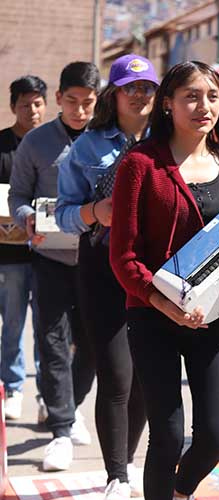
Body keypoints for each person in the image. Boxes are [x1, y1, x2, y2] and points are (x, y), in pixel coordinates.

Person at [109, 61, 219, 500]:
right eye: (191, 96)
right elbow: (122, 255)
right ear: (168, 103)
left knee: (216, 436)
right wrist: (164, 304)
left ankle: (181, 491)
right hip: (152, 317)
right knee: (166, 437)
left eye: (213, 96)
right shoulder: (140, 164)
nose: (205, 106)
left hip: (213, 317)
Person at [55, 54, 158, 499]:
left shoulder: (172, 142)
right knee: (116, 375)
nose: (140, 95)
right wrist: (97, 211)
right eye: (130, 88)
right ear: (113, 96)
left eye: (148, 88)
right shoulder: (87, 146)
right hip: (101, 268)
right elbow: (62, 214)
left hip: (156, 271)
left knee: (144, 379)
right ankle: (116, 475)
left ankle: (129, 464)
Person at [8, 62, 99, 471]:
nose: (80, 111)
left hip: (97, 259)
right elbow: (18, 194)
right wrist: (27, 215)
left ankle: (71, 405)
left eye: (88, 103)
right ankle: (61, 428)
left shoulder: (108, 139)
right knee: (52, 342)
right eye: (72, 102)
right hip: (50, 258)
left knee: (93, 344)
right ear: (59, 98)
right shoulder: (37, 143)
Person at [0, 75, 46, 421]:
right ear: (13, 106)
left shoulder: (52, 142)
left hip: (50, 253)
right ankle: (13, 388)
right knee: (13, 323)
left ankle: (49, 394)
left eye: (37, 103)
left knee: (49, 328)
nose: (32, 110)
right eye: (25, 104)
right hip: (10, 255)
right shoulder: (1, 145)